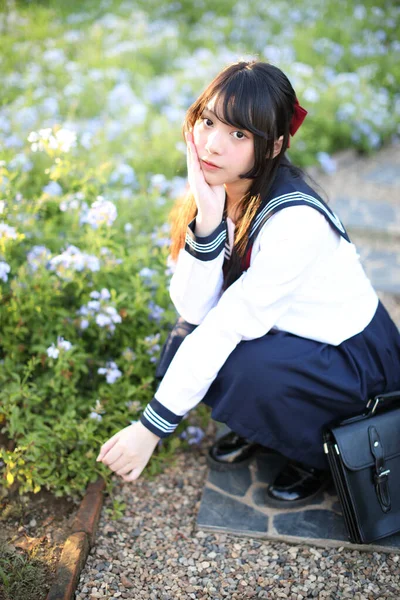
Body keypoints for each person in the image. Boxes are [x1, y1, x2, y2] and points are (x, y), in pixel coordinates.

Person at [96, 60, 400, 507]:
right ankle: (272, 428)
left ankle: (316, 453)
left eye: (239, 134)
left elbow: (225, 326)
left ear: (274, 146)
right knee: (188, 337)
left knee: (242, 366)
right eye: (208, 122)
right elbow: (193, 308)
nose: (213, 145)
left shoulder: (295, 220)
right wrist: (207, 217)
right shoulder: (222, 191)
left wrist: (150, 428)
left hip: (350, 362)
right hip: (289, 336)